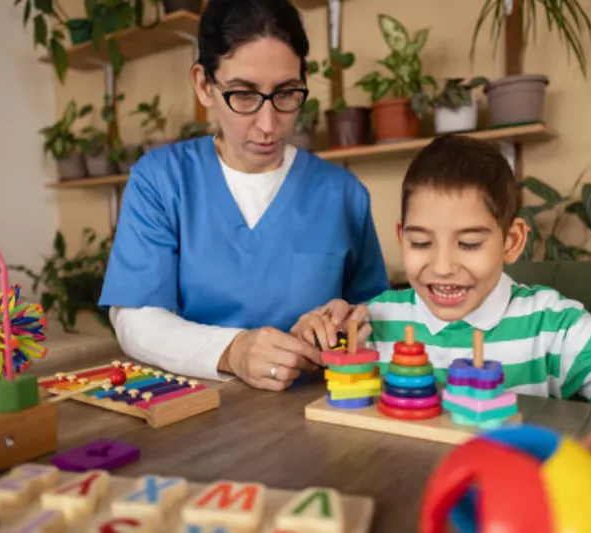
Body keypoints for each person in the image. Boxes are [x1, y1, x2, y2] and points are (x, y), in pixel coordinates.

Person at [293, 135, 591, 501]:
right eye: (421, 242)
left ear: (511, 242)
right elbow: (332, 369)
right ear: (402, 238)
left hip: (510, 504)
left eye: (469, 243)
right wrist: (322, 334)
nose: (441, 266)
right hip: (403, 497)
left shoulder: (549, 325)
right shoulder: (380, 316)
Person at [98, 0, 389, 391]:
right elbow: (136, 319)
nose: (268, 124)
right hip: (196, 408)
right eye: (243, 95)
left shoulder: (342, 194)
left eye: (287, 94)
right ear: (204, 85)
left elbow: (377, 314)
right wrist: (232, 351)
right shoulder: (162, 180)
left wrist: (346, 322)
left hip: (318, 411)